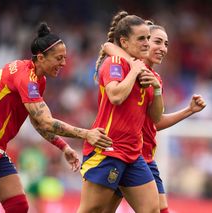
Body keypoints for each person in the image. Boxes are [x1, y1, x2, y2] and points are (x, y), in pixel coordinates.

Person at [0, 22, 112, 213]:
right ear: (41, 57)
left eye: (65, 58)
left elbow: (37, 122)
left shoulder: (38, 80)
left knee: (18, 206)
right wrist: (87, 134)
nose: (64, 63)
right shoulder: (25, 77)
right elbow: (45, 121)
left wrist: (63, 146)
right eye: (59, 58)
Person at [102, 22, 207, 213]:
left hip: (143, 156)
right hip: (125, 154)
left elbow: (154, 122)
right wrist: (135, 66)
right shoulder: (125, 67)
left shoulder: (155, 79)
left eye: (166, 44)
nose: (163, 49)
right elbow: (108, 46)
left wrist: (188, 110)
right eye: (157, 41)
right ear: (144, 42)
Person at [78, 11, 163, 213]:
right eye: (141, 38)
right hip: (108, 148)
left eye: (148, 39)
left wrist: (157, 90)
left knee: (152, 209)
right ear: (124, 42)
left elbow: (156, 118)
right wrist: (134, 71)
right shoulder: (115, 62)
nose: (147, 43)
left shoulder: (150, 75)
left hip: (133, 154)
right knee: (93, 210)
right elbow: (115, 96)